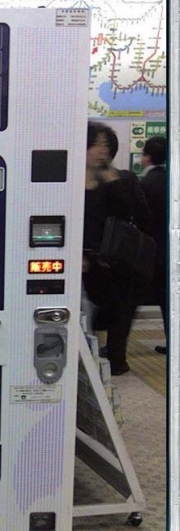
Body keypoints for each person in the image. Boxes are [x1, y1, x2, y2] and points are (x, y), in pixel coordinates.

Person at [82, 122, 152, 375]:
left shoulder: (122, 179)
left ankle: (115, 361)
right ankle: (86, 363)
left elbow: (137, 216)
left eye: (106, 145)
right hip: (83, 261)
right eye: (94, 144)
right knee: (85, 315)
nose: (101, 150)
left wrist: (113, 182)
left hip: (116, 261)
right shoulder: (67, 179)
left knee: (118, 312)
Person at [139, 135, 167, 354]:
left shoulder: (145, 184)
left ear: (146, 157)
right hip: (170, 250)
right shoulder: (170, 180)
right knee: (169, 300)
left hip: (153, 252)